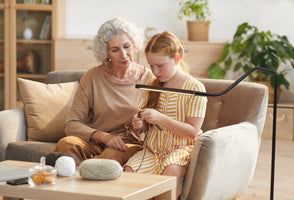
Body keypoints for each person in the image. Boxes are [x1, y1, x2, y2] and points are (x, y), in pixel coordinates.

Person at [53, 17, 153, 166]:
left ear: (134, 45)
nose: (124, 55)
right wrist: (103, 137)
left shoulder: (149, 79)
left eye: (127, 46)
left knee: (108, 158)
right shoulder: (92, 77)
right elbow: (72, 124)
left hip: (128, 145)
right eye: (115, 50)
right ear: (105, 53)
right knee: (66, 144)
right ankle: (76, 186)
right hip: (97, 141)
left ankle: (86, 182)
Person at [124, 31, 207, 199]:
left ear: (176, 59)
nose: (154, 71)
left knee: (169, 172)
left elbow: (192, 131)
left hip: (180, 150)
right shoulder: (153, 86)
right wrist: (141, 124)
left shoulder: (196, 88)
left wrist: (161, 118)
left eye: (159, 65)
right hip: (153, 151)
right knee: (129, 172)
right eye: (151, 65)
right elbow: (147, 128)